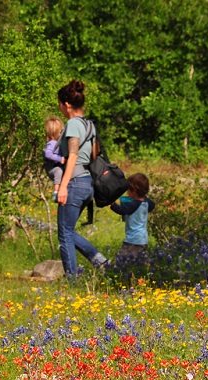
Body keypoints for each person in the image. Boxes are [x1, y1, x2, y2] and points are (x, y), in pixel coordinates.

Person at [57, 80, 108, 275]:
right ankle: (99, 260)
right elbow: (94, 155)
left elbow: (74, 155)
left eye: (60, 104)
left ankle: (72, 279)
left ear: (67, 104)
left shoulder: (72, 124)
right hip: (88, 184)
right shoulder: (90, 125)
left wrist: (63, 186)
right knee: (67, 230)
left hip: (74, 183)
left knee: (64, 234)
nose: (60, 109)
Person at [110, 172, 155, 261]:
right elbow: (152, 205)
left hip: (133, 240)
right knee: (137, 262)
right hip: (143, 239)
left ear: (133, 190)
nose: (127, 192)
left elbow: (123, 211)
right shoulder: (146, 202)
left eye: (128, 189)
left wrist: (112, 204)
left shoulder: (134, 205)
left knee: (121, 260)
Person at [42, 117, 65, 201]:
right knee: (59, 171)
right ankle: (56, 192)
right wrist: (60, 159)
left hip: (55, 165)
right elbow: (48, 154)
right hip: (52, 168)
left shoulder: (58, 143)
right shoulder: (52, 143)